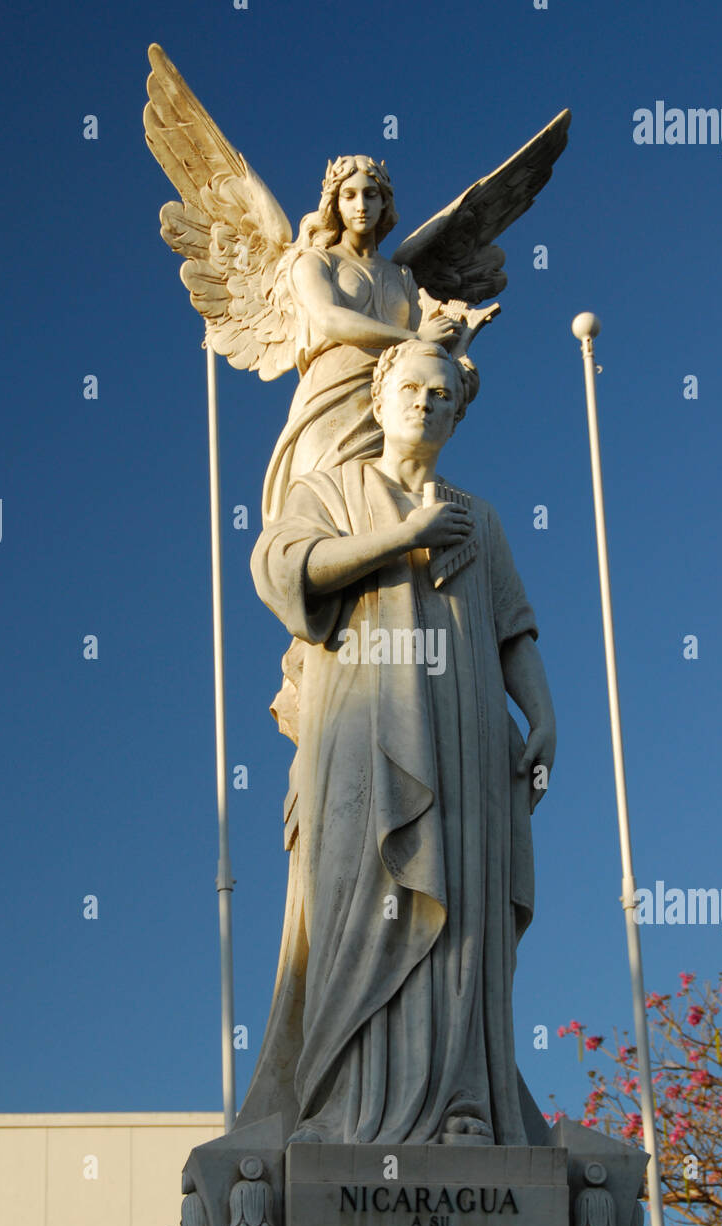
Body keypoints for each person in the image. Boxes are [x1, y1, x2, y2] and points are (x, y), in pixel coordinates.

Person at [240, 340, 556, 1146]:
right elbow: (284, 568)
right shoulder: (331, 490)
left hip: (468, 728)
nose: (424, 403)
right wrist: (401, 537)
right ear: (378, 400)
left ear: (458, 411)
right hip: (363, 722)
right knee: (359, 898)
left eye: (442, 394)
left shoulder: (479, 516)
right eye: (410, 388)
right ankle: (345, 1109)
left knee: (460, 914)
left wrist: (543, 716)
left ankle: (463, 1106)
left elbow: (513, 631)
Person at [261, 156, 461, 524]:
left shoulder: (401, 276)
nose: (360, 205)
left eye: (370, 195)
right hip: (331, 396)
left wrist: (456, 351)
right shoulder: (313, 261)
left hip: (393, 398)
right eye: (349, 195)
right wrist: (413, 336)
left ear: (385, 202)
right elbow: (330, 319)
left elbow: (426, 349)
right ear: (334, 204)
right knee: (323, 503)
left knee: (385, 506)